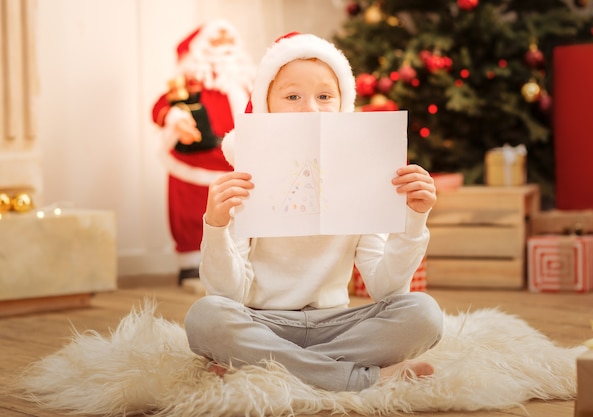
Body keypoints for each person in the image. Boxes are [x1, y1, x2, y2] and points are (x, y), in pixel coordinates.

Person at [184, 32, 443, 392]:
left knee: (423, 313)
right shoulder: (244, 180)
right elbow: (228, 294)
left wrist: (415, 219)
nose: (311, 108)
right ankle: (356, 378)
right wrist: (216, 226)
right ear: (266, 107)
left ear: (342, 106)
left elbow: (386, 287)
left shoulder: (363, 176)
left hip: (338, 324)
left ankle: (265, 366)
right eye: (292, 96)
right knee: (206, 317)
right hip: (263, 322)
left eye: (325, 96)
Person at [151, 19, 255, 286]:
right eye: (215, 43)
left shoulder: (248, 84)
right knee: (191, 209)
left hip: (236, 163)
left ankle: (239, 262)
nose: (223, 49)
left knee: (240, 210)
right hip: (195, 162)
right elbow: (161, 107)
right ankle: (191, 264)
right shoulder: (188, 85)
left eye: (228, 43)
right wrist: (174, 116)